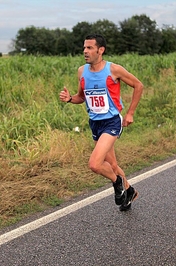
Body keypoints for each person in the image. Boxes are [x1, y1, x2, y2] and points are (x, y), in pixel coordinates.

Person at [59, 34, 143, 211]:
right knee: (111, 165)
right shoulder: (82, 71)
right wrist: (69, 99)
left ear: (100, 50)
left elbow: (138, 85)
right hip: (95, 123)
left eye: (89, 48)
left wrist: (130, 113)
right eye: (84, 48)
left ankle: (118, 182)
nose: (85, 51)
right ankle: (130, 192)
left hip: (111, 122)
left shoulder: (114, 70)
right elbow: (81, 97)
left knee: (95, 164)